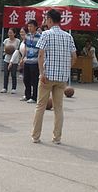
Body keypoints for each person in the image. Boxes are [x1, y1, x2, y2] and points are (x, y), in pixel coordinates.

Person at [31, 9, 76, 144]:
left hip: (47, 76)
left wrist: (41, 73)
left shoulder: (45, 34)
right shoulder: (68, 36)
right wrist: (66, 68)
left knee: (40, 106)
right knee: (58, 108)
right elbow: (74, 56)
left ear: (50, 20)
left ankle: (36, 136)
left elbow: (40, 55)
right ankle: (57, 138)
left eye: (46, 19)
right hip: (62, 77)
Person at [21, 19, 41, 103]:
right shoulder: (27, 36)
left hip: (35, 61)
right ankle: (27, 95)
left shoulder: (40, 36)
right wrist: (23, 58)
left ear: (35, 27)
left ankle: (34, 97)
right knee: (26, 79)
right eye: (28, 26)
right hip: (27, 60)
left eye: (31, 26)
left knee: (34, 80)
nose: (29, 28)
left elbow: (41, 50)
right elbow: (26, 48)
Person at [1, 28, 21, 94]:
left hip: (14, 60)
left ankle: (13, 88)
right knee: (6, 74)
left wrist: (12, 51)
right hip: (7, 59)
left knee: (13, 74)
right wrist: (6, 51)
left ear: (14, 33)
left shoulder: (17, 41)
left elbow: (17, 50)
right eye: (9, 33)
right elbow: (5, 50)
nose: (9, 34)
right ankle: (5, 88)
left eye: (11, 33)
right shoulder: (6, 40)